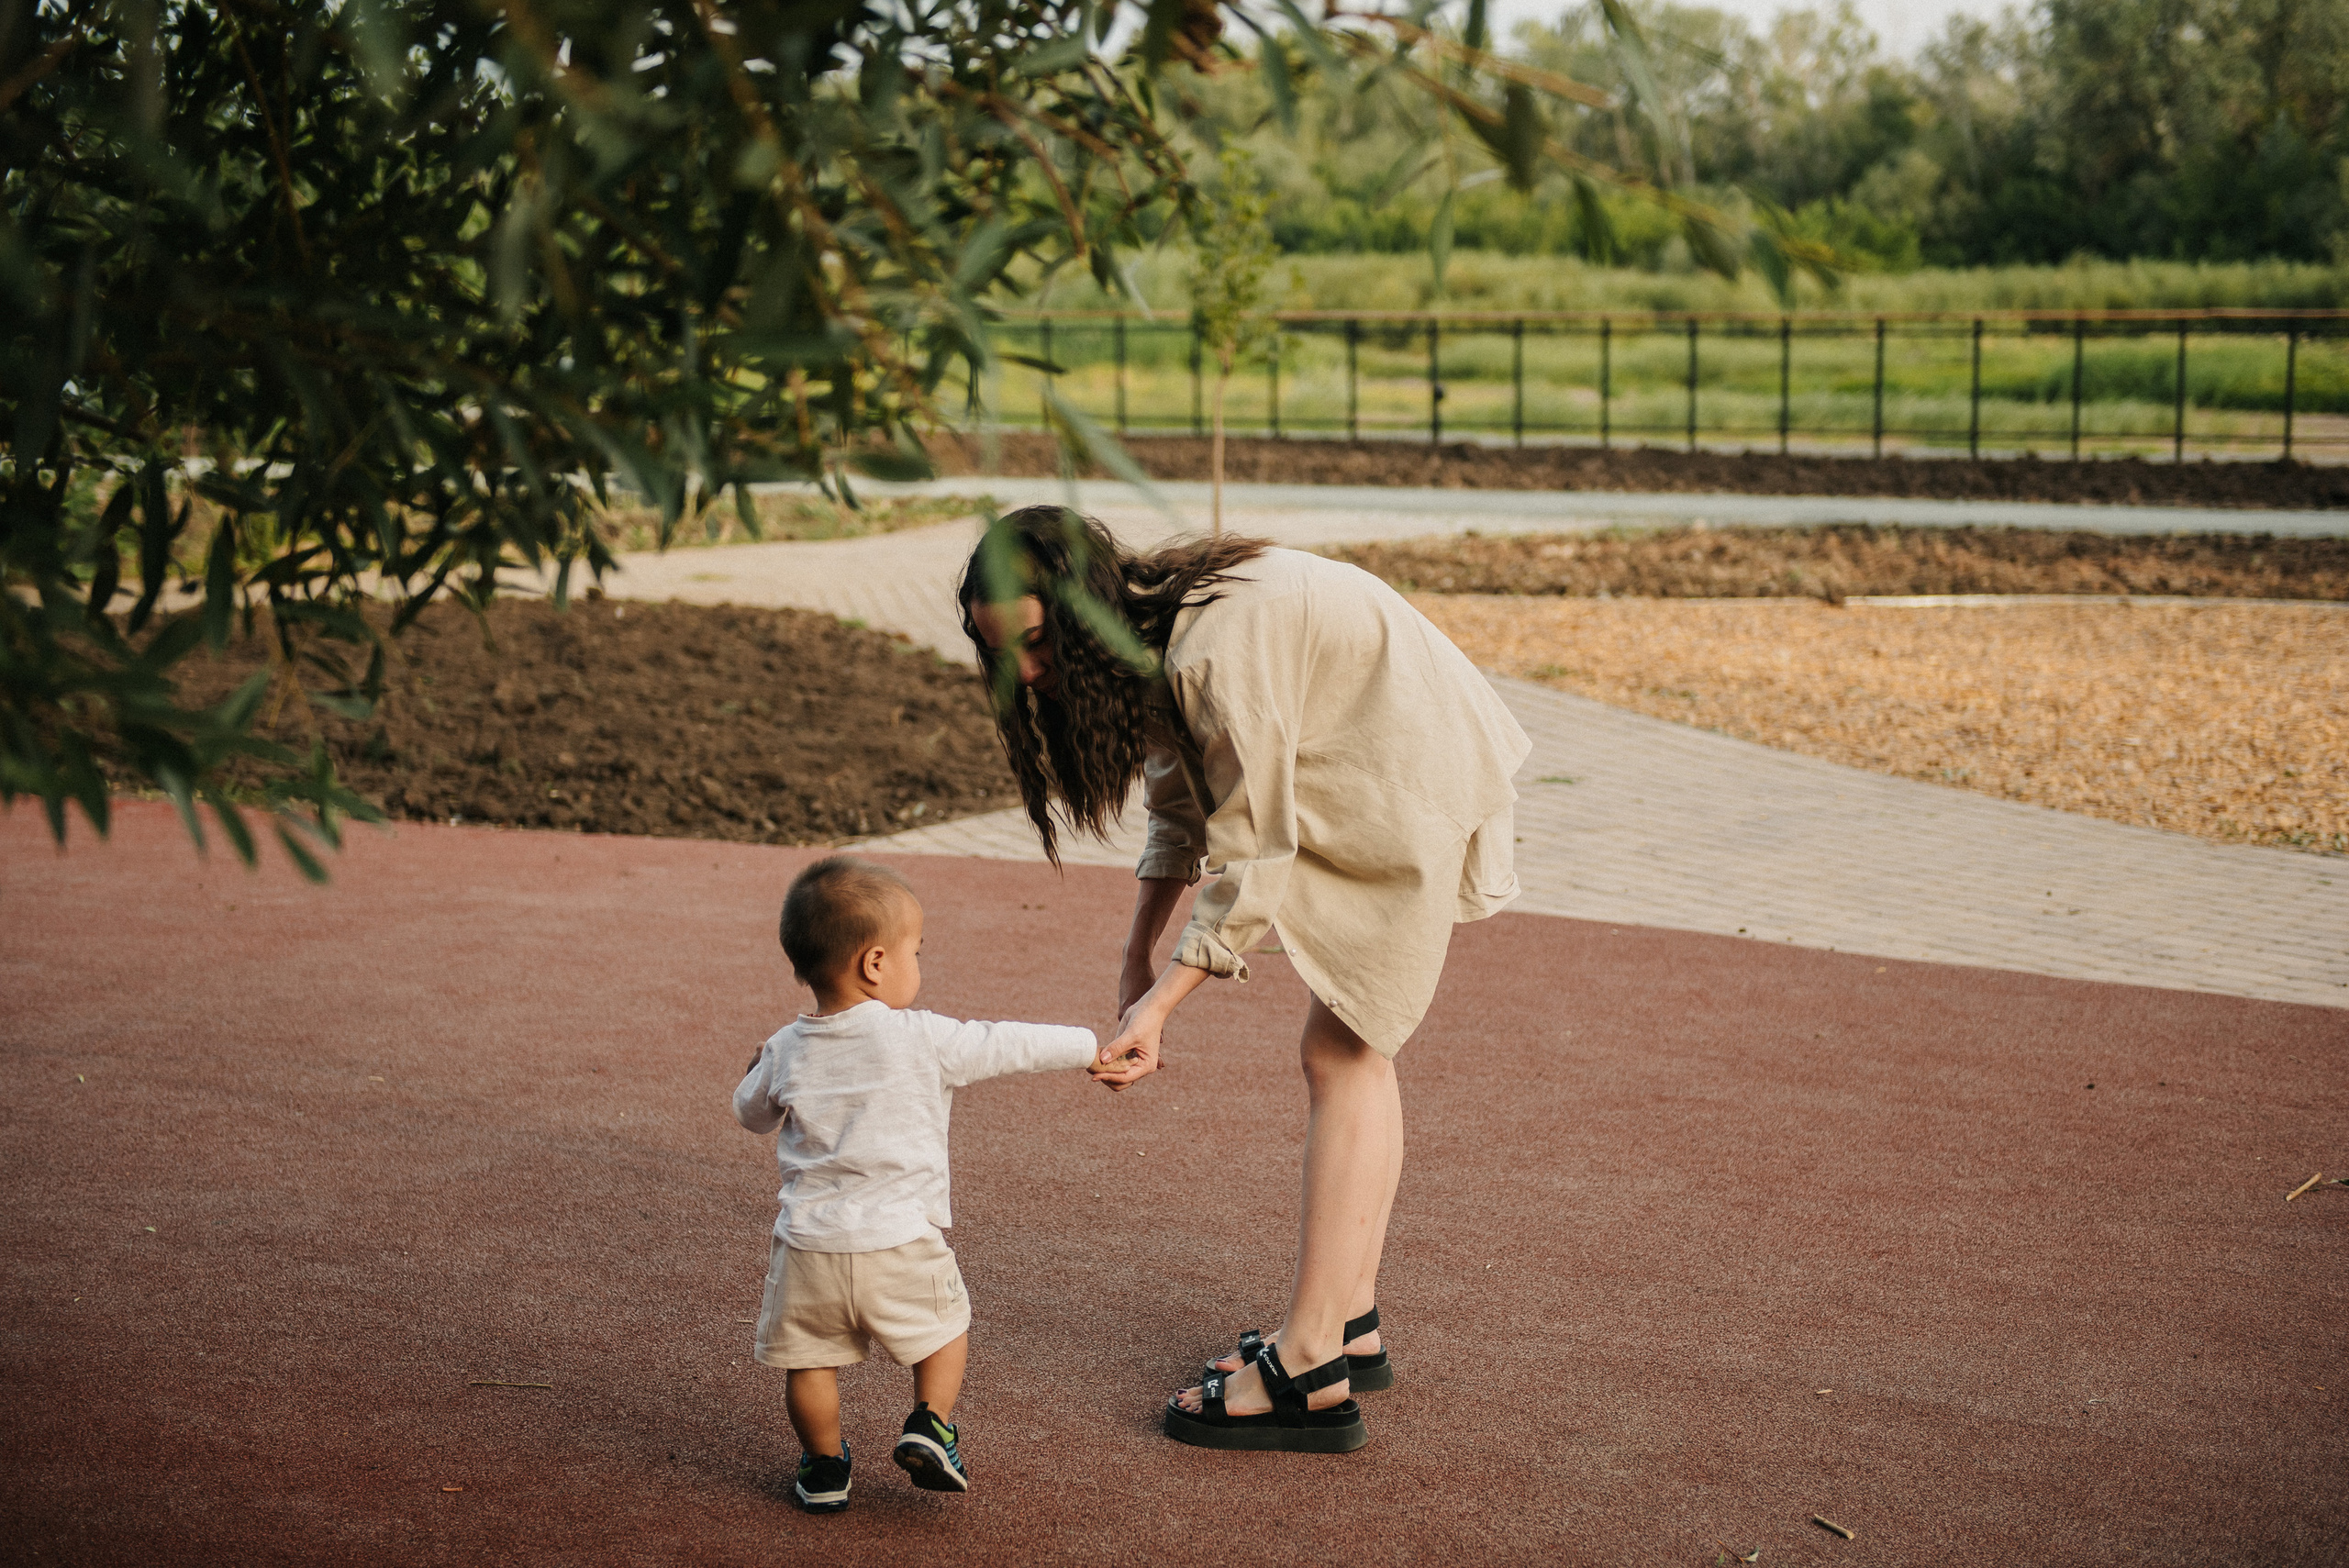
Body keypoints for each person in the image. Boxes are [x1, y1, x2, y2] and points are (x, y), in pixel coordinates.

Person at [960, 506, 1530, 1454]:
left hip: (1402, 766)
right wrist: (1135, 956)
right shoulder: (1148, 639)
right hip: (1373, 750)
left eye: (1033, 641)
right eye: (998, 650)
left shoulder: (1207, 653)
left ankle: (1309, 1364)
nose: (1023, 672)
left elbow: (1253, 854)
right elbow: (1181, 806)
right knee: (1351, 1047)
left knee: (1343, 1048)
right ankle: (1345, 1319)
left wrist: (1163, 1005)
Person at [733, 854, 1106, 1510]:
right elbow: (1005, 1043)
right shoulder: (924, 1036)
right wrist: (1088, 1046)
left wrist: (755, 1069)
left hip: (810, 1247)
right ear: (875, 964)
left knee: (809, 1362)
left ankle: (824, 1466)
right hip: (901, 1238)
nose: (918, 967)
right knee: (946, 1326)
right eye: (916, 952)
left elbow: (751, 1114)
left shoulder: (784, 1047)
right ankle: (930, 1421)